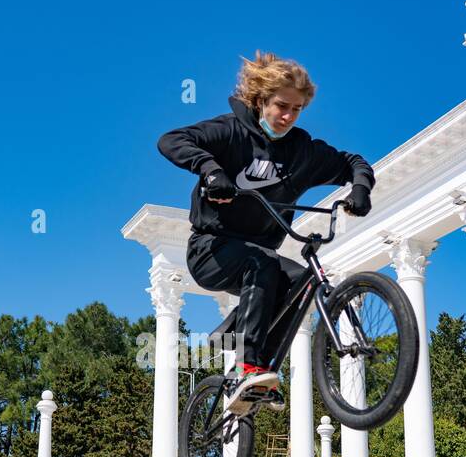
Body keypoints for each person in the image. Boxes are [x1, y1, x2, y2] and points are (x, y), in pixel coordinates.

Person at [157, 51, 374, 413]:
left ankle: (254, 362)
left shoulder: (302, 152)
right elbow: (171, 140)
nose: (288, 116)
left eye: (297, 109)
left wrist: (360, 188)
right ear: (261, 100)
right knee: (262, 263)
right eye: (280, 106)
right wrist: (210, 170)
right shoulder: (232, 132)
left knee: (303, 284)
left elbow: (353, 162)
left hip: (260, 255)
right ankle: (247, 363)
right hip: (211, 249)